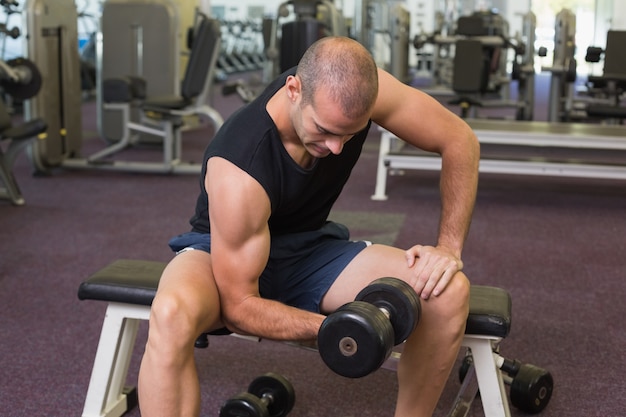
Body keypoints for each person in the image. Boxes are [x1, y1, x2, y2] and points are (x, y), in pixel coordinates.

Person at [138, 36, 480, 417]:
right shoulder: (239, 167)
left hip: (309, 250)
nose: (336, 148)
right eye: (325, 130)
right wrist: (335, 327)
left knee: (447, 292)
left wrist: (449, 247)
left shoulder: (364, 93)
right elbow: (239, 307)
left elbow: (459, 139)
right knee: (170, 313)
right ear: (294, 90)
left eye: (349, 135)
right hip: (219, 252)